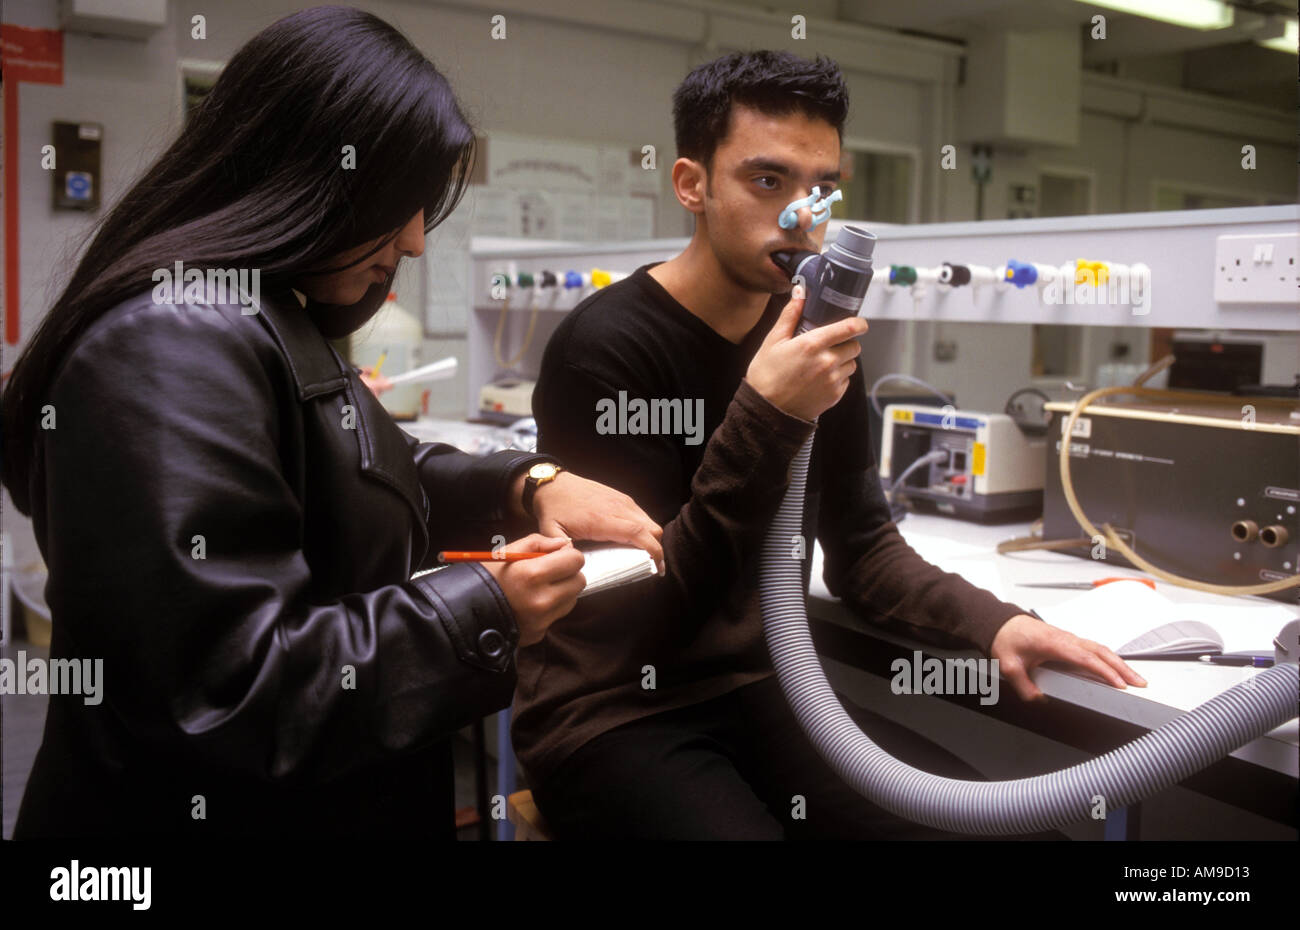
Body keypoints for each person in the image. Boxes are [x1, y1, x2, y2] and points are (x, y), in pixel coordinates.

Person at [1, 6, 661, 838]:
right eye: (403, 202)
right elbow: (228, 692)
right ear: (311, 178)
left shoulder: (269, 312)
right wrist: (487, 609)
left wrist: (525, 485)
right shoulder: (171, 344)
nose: (418, 242)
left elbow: (368, 464)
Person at [510, 50, 1144, 840]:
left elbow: (862, 546)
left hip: (758, 691)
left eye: (821, 188)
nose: (801, 217)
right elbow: (652, 605)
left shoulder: (818, 341)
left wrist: (993, 624)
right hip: (614, 708)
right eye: (768, 182)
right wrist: (767, 413)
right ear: (692, 185)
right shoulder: (604, 349)